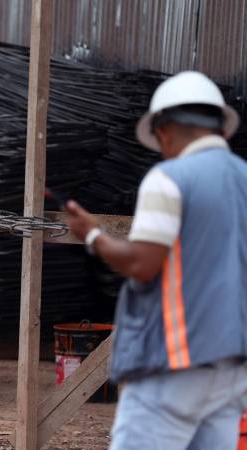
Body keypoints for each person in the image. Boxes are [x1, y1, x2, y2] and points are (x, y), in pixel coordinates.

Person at [66, 71, 247, 450]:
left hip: (176, 361)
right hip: (232, 364)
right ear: (220, 129)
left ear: (165, 130)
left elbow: (142, 264)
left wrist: (93, 235)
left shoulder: (169, 178)